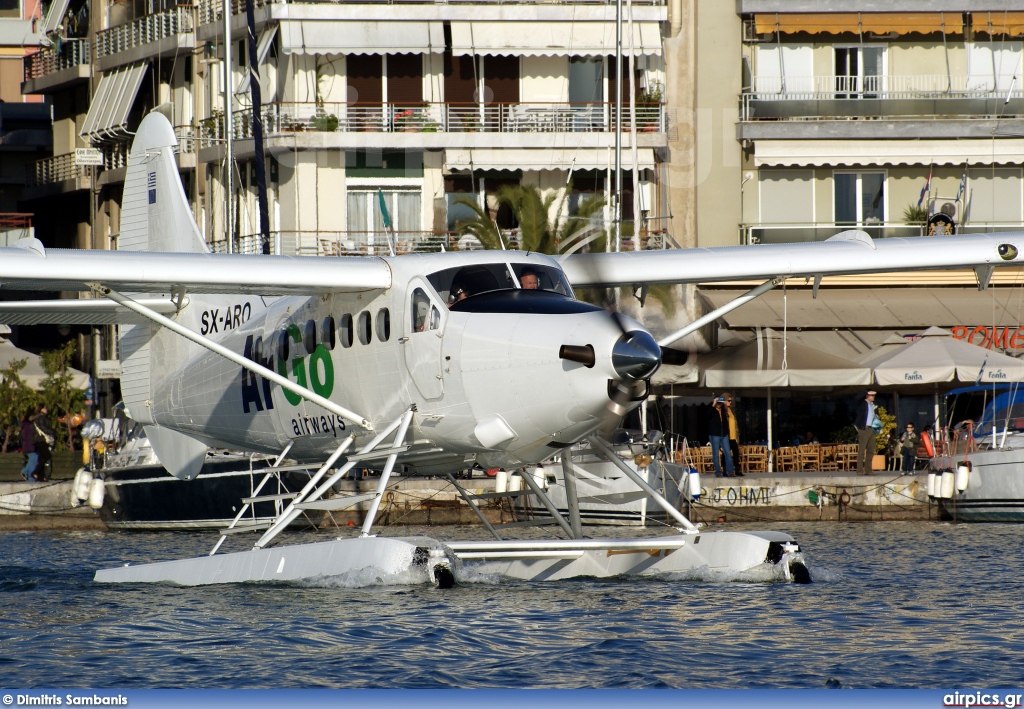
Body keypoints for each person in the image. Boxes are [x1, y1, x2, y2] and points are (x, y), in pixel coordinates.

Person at [709, 396, 740, 477]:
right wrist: (714, 404)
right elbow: (708, 415)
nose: (719, 405)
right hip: (714, 434)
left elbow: (727, 421)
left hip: (724, 434)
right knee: (715, 454)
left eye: (720, 403)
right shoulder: (711, 409)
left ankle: (730, 471)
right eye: (718, 403)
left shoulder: (723, 410)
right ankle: (718, 472)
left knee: (728, 453)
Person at [853, 390, 878, 476]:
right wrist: (866, 392)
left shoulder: (872, 405)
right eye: (872, 395)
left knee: (871, 450)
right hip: (864, 428)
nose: (873, 397)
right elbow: (857, 399)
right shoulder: (863, 403)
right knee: (862, 450)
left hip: (872, 428)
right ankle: (859, 470)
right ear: (867, 396)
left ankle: (868, 470)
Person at [30, 404, 55, 482]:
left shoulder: (38, 417)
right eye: (45, 408)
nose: (46, 409)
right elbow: (43, 428)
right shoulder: (41, 418)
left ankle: (40, 476)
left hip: (38, 439)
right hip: (41, 439)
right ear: (41, 409)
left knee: (42, 457)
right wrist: (52, 432)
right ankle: (35, 472)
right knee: (46, 456)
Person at [723, 393, 740, 473]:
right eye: (729, 400)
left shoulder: (731, 410)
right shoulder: (722, 410)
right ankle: (725, 469)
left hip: (733, 436)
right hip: (726, 435)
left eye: (731, 401)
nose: (730, 402)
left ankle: (737, 469)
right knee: (726, 453)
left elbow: (734, 423)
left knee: (736, 452)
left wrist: (737, 435)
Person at [20, 408, 38, 483]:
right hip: (30, 445)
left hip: (28, 445)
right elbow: (30, 435)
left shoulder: (25, 424)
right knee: (34, 459)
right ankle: (26, 473)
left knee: (33, 459)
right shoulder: (29, 425)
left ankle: (30, 476)